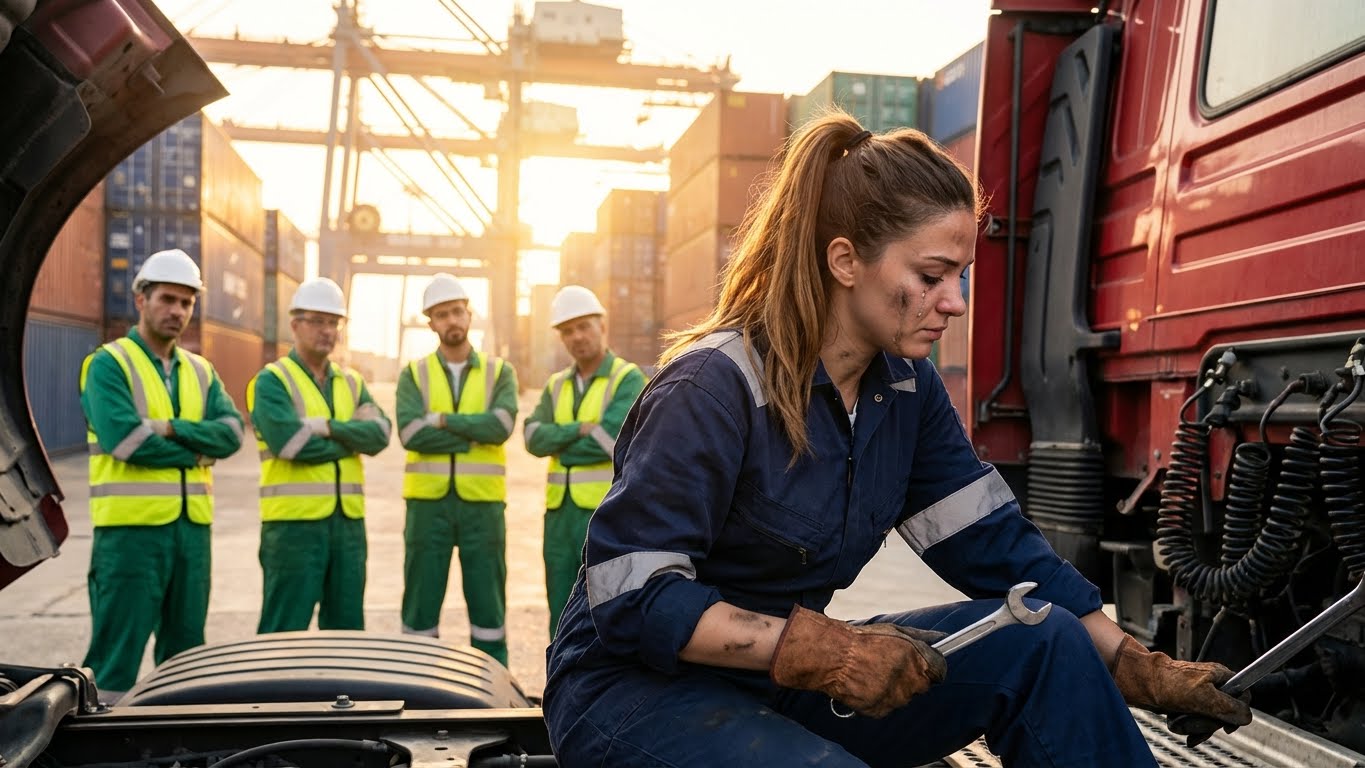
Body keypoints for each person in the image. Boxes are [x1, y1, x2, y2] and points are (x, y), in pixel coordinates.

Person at [542, 115, 1253, 766]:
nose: (955, 302)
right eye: (931, 276)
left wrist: (1133, 664)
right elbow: (632, 597)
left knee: (1044, 638)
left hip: (775, 678)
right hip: (632, 692)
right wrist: (825, 653)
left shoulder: (905, 391)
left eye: (960, 277)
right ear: (845, 261)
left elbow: (995, 546)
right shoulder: (712, 388)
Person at [78, 249, 245, 700]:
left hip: (192, 533)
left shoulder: (202, 371)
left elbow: (232, 434)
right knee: (116, 654)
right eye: (167, 299)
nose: (178, 311)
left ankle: (179, 735)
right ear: (141, 299)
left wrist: (168, 428)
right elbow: (126, 440)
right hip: (130, 535)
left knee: (187, 655)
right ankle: (104, 734)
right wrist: (197, 451)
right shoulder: (109, 363)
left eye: (186, 302)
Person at [247, 277, 391, 634]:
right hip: (293, 527)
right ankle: (277, 677)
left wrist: (326, 426)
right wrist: (351, 439)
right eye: (317, 321)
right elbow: (290, 445)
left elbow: (380, 435)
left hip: (348, 526)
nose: (327, 330)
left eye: (333, 322)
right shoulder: (272, 381)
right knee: (283, 630)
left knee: (347, 631)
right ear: (295, 325)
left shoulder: (352, 382)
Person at [395, 274, 518, 665]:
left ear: (469, 314)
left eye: (457, 311)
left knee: (488, 608)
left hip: (483, 506)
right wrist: (471, 435)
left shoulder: (500, 372)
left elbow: (500, 427)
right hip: (427, 507)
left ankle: (493, 681)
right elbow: (411, 433)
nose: (452, 320)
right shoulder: (413, 374)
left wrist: (442, 421)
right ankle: (416, 681)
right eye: (442, 314)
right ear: (430, 323)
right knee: (420, 606)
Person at [524, 285, 646, 638]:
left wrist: (560, 440)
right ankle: (558, 674)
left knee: (604, 610)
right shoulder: (555, 386)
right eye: (567, 330)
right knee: (559, 608)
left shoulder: (627, 379)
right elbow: (532, 438)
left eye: (583, 326)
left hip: (606, 513)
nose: (576, 336)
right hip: (558, 517)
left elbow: (610, 441)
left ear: (601, 325)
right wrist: (580, 429)